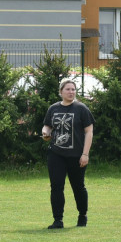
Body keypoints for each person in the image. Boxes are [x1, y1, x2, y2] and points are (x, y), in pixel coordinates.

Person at [42, 78, 95, 228]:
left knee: (78, 186)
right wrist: (45, 133)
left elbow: (89, 131)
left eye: (73, 89)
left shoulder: (81, 109)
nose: (71, 92)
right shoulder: (53, 108)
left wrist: (85, 154)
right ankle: (58, 220)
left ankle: (82, 216)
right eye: (68, 89)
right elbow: (47, 126)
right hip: (56, 154)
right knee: (56, 186)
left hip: (76, 155)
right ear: (61, 92)